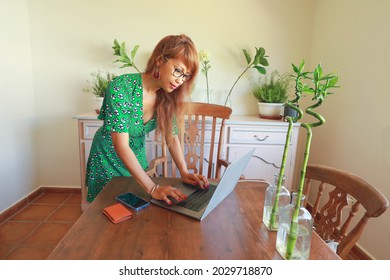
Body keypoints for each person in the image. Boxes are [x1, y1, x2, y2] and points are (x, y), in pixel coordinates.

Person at [85, 34, 209, 205]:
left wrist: (184, 171)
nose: (180, 80)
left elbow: (171, 136)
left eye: (185, 76)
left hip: (136, 161)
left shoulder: (167, 97)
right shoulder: (121, 87)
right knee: (105, 213)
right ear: (159, 60)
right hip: (106, 159)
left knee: (136, 215)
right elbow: (120, 145)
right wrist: (152, 188)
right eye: (178, 70)